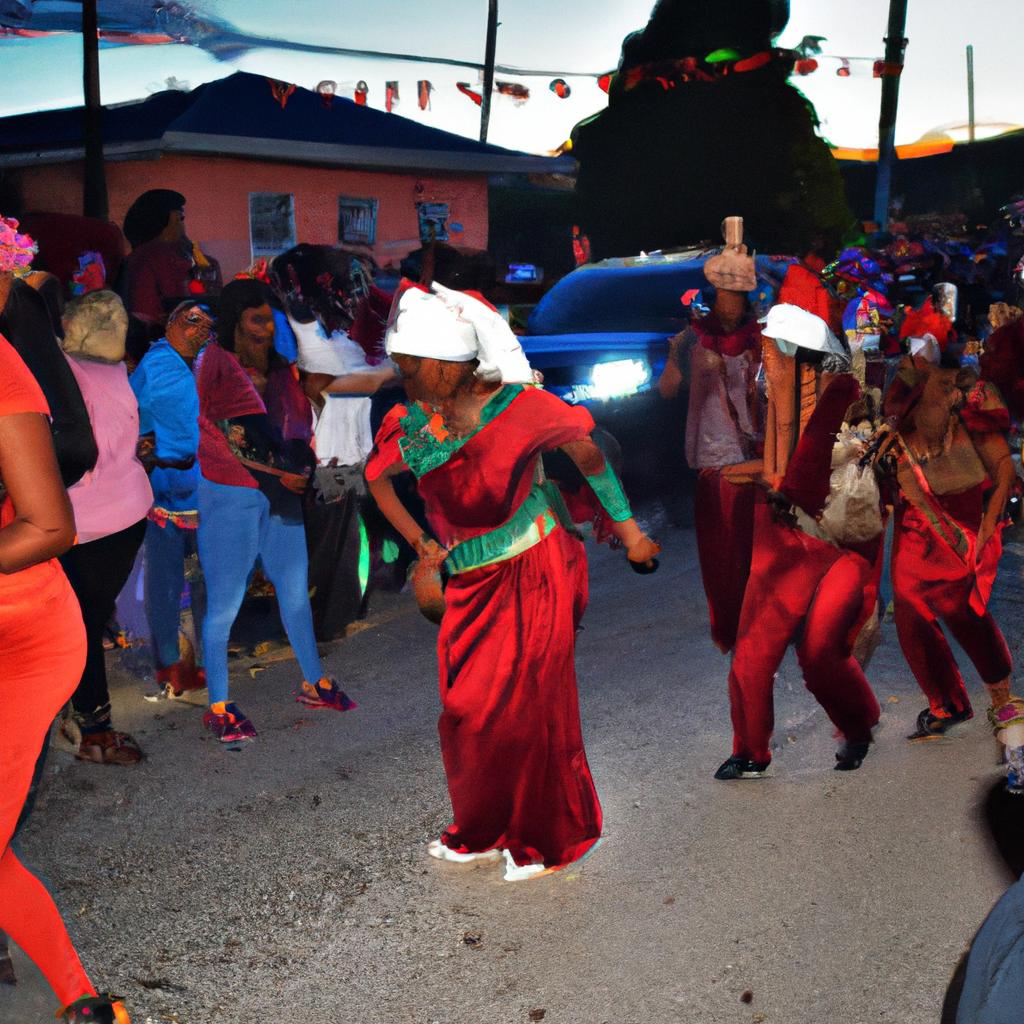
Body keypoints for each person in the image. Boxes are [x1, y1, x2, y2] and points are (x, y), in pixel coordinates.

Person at [366, 281, 659, 881]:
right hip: (468, 579)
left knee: (529, 710)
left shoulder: (522, 408)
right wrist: (423, 545)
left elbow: (591, 457)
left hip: (536, 567)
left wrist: (630, 534)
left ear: (449, 364)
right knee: (466, 710)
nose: (404, 377)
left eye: (412, 366)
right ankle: (482, 826)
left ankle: (549, 837)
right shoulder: (415, 419)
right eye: (401, 366)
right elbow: (378, 478)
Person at [0, 334, 130, 1023]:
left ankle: (85, 1002)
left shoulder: (3, 373)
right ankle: (83, 1000)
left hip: (21, 638)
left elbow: (51, 527)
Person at [715, 303, 884, 780]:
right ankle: (750, 749)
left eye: (773, 347)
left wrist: (756, 477)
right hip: (780, 537)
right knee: (751, 653)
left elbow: (801, 473)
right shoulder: (776, 399)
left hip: (829, 542)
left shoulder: (841, 399)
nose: (765, 357)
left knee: (820, 653)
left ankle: (857, 726)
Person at [194, 279, 355, 743]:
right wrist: (288, 471)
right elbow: (233, 432)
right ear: (234, 322)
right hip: (232, 494)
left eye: (270, 319)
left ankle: (313, 681)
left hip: (281, 495)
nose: (265, 328)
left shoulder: (282, 369)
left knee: (293, 591)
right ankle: (219, 704)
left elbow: (299, 426)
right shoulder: (216, 365)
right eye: (255, 319)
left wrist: (303, 466)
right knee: (225, 603)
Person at [882, 355, 1018, 759]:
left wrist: (985, 529)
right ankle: (948, 703)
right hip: (915, 525)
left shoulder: (973, 420)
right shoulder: (906, 410)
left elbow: (1005, 472)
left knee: (965, 610)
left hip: (964, 517)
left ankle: (1002, 703)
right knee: (909, 612)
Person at [270, 245, 398, 639]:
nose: (361, 287)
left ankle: (332, 616)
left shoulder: (336, 321)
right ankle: (323, 626)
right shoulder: (305, 323)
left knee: (344, 537)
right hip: (329, 453)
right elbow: (317, 385)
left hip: (349, 447)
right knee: (333, 546)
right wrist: (383, 375)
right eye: (352, 278)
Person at [58, 291, 153, 764]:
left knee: (79, 622)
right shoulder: (112, 368)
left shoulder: (65, 369)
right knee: (80, 620)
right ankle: (81, 716)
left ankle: (91, 727)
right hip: (114, 512)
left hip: (93, 518)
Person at [657, 220, 761, 652]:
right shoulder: (690, 339)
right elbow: (665, 392)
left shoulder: (761, 337)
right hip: (712, 459)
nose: (731, 303)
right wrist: (676, 361)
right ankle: (730, 627)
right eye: (726, 295)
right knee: (720, 554)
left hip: (755, 455)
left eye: (738, 296)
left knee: (756, 550)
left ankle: (760, 623)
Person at [129, 300, 209, 699]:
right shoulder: (159, 365)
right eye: (191, 321)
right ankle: (173, 666)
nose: (199, 330)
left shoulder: (198, 361)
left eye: (206, 325)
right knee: (169, 583)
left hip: (198, 490)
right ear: (171, 323)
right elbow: (144, 423)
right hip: (169, 492)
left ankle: (195, 663)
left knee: (199, 582)